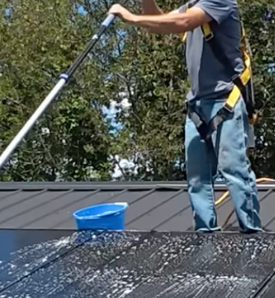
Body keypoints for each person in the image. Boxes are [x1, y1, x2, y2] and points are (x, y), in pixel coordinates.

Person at [108, 1, 263, 233]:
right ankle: (204, 235)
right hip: (198, 105)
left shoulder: (220, 1)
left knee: (235, 171)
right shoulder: (191, 5)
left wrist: (131, 18)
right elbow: (158, 24)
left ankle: (252, 235)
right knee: (197, 179)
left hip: (225, 100)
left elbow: (183, 22)